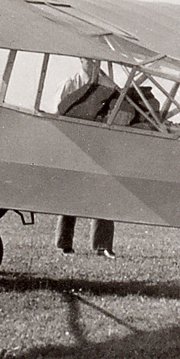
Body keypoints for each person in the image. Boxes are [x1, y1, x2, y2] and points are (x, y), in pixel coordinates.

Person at [54, 59, 118, 258]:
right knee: (70, 195)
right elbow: (56, 112)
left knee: (104, 193)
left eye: (97, 61)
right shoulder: (70, 84)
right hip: (75, 145)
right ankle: (64, 245)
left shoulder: (109, 85)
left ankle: (103, 246)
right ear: (81, 60)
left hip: (100, 145)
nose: (93, 64)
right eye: (89, 60)